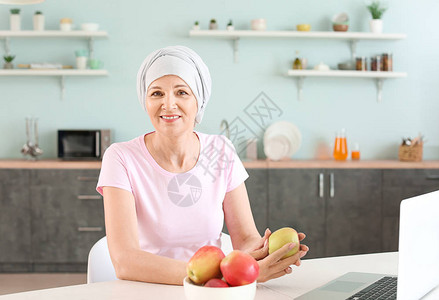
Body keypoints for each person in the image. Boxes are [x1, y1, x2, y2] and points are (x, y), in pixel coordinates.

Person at [96, 45, 309, 285]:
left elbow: (246, 239)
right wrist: (222, 274)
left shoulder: (221, 151)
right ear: (144, 101)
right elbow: (126, 261)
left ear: (199, 100)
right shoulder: (121, 158)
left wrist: (266, 253)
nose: (168, 104)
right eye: (156, 93)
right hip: (148, 290)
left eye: (182, 92)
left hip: (212, 293)